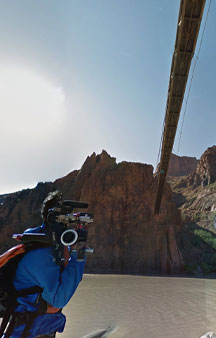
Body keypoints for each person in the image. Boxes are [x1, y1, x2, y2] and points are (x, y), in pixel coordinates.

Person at [7, 191, 86, 338]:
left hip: (31, 330)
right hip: (27, 332)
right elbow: (58, 301)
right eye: (64, 222)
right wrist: (77, 255)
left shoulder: (43, 246)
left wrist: (66, 249)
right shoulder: (41, 254)